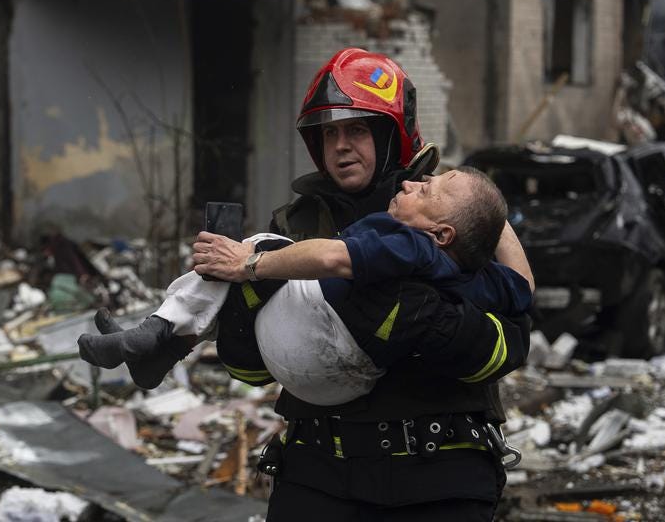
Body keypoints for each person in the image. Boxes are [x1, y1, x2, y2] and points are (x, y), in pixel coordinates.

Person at [79, 48, 532, 520]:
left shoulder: (455, 213)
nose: (340, 145)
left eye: (357, 129)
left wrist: (423, 321)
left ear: (390, 132)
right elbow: (254, 369)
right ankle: (162, 338)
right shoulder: (294, 224)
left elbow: (511, 341)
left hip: (439, 475)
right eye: (328, 133)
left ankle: (161, 339)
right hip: (319, 474)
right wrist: (245, 308)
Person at [80, 166, 533, 406]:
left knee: (260, 244)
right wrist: (492, 216)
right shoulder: (472, 274)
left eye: (427, 190)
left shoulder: (408, 244)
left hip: (315, 346)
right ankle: (164, 347)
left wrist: (251, 263)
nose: (413, 182)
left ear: (441, 234)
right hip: (346, 383)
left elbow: (333, 257)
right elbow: (523, 286)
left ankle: (160, 331)